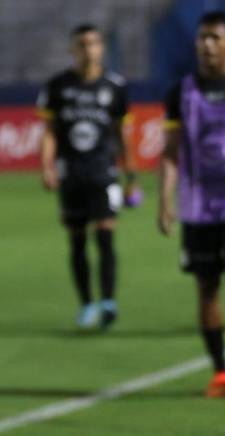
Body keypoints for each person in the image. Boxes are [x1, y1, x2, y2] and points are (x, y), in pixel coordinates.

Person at [157, 11, 225, 400]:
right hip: (198, 206)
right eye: (202, 37)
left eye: (215, 37)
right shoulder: (181, 92)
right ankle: (220, 371)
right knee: (206, 287)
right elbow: (170, 153)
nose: (206, 44)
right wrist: (164, 201)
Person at [37, 23, 137, 329]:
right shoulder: (57, 86)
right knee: (77, 240)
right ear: (72, 49)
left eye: (93, 43)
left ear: (101, 48)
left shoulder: (115, 86)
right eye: (81, 44)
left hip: (103, 173)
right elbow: (49, 132)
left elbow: (122, 134)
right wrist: (47, 166)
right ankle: (86, 304)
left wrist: (131, 175)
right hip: (71, 174)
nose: (88, 50)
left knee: (105, 236)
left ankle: (108, 301)